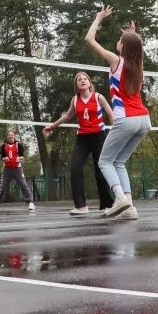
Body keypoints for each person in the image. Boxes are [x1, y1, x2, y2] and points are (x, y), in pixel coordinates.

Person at [86, 6, 150, 221]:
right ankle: (129, 207)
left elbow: (89, 39)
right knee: (119, 162)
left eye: (122, 40)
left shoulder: (116, 60)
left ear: (123, 47)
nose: (119, 41)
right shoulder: (138, 64)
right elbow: (137, 47)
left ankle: (120, 197)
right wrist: (132, 34)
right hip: (144, 120)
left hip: (127, 119)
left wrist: (98, 18)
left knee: (104, 162)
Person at [43, 72, 115, 217]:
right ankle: (81, 206)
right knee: (75, 168)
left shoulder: (98, 97)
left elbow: (111, 115)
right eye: (79, 80)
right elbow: (67, 116)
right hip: (82, 138)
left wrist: (114, 134)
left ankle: (107, 204)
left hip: (99, 136)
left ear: (89, 82)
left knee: (100, 170)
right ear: (76, 85)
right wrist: (53, 126)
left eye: (85, 79)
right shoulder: (75, 100)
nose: (82, 81)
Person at [0, 130, 35, 212]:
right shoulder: (4, 146)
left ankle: (30, 203)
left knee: (24, 185)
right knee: (2, 186)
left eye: (12, 135)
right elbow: (2, 158)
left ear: (14, 136)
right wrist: (5, 159)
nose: (10, 136)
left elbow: (22, 156)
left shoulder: (18, 145)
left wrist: (19, 158)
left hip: (17, 169)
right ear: (7, 136)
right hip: (7, 170)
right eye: (9, 135)